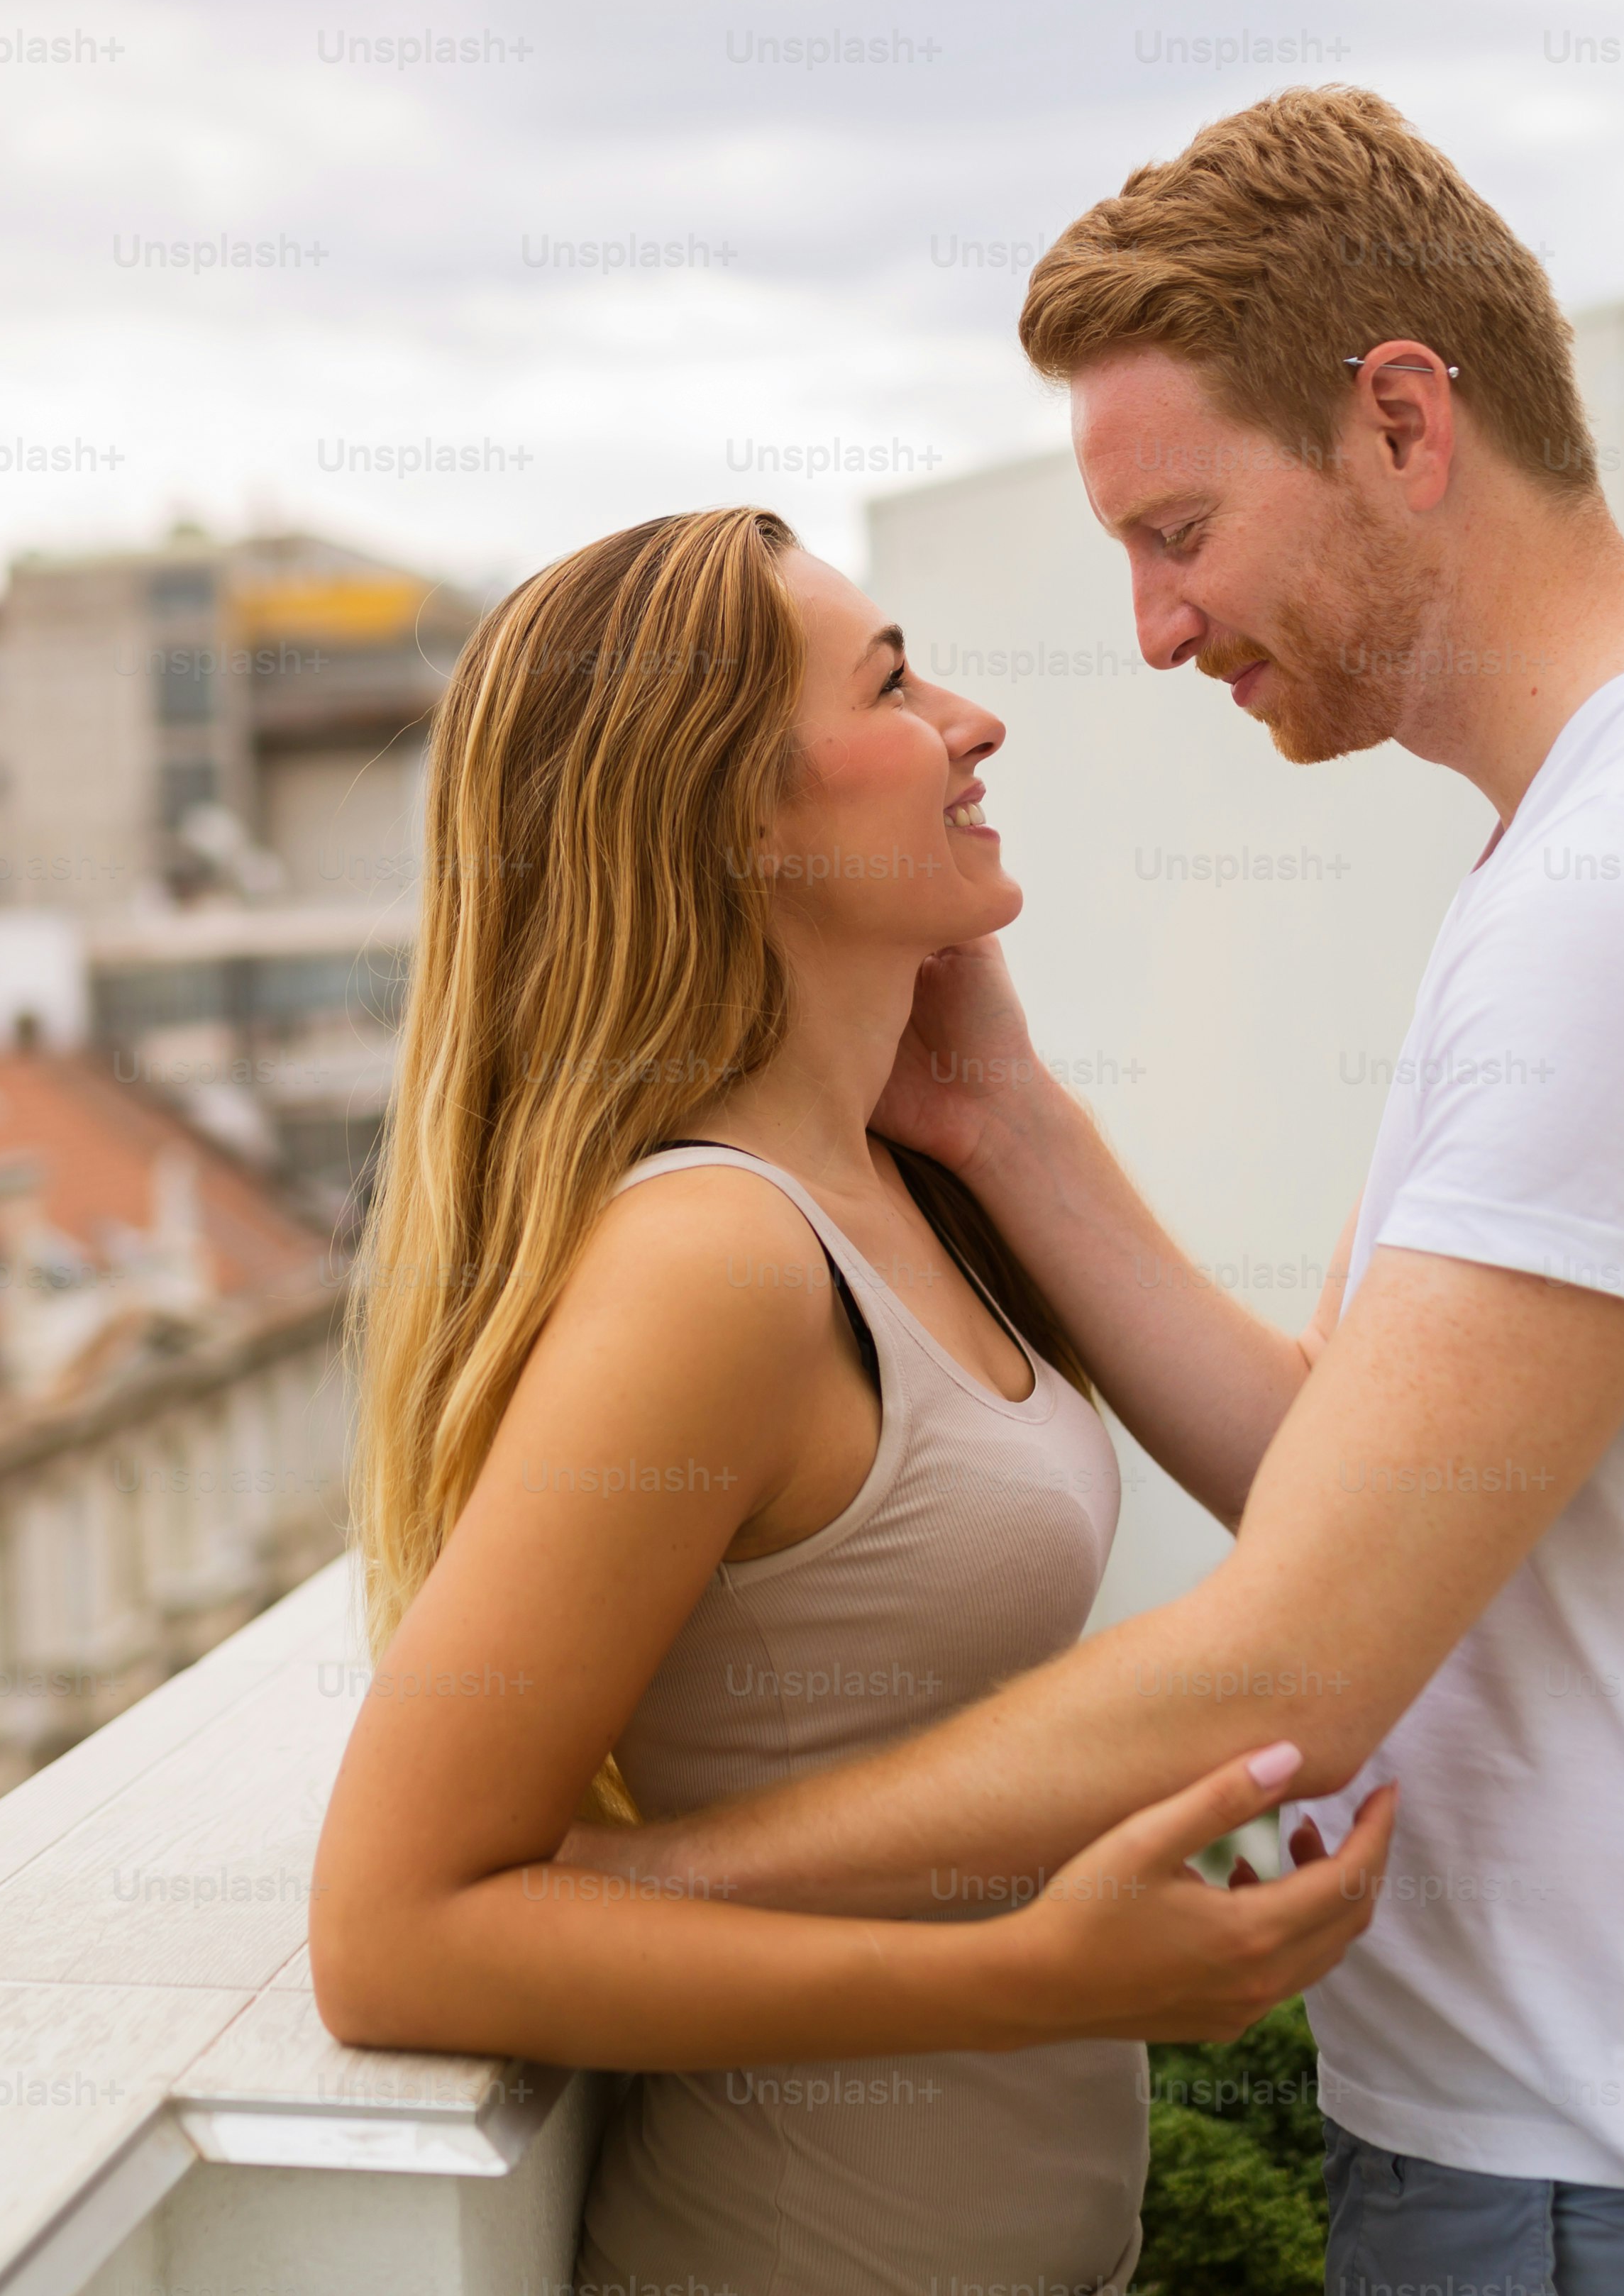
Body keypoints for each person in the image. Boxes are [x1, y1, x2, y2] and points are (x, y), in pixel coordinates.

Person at [568, 87, 1624, 2296]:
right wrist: (1008, 1125)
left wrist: (630, 1903)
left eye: (1179, 531)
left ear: (1404, 425)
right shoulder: (1609, 847)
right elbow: (1350, 1483)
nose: (1156, 631)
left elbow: (1296, 1663)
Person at [305, 504, 1402, 2296]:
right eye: (893, 687)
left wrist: (1009, 1113)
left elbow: (1328, 1490)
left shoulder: (896, 1188)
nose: (976, 721)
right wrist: (1029, 1979)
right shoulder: (716, 1264)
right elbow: (393, 1936)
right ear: (731, 813)